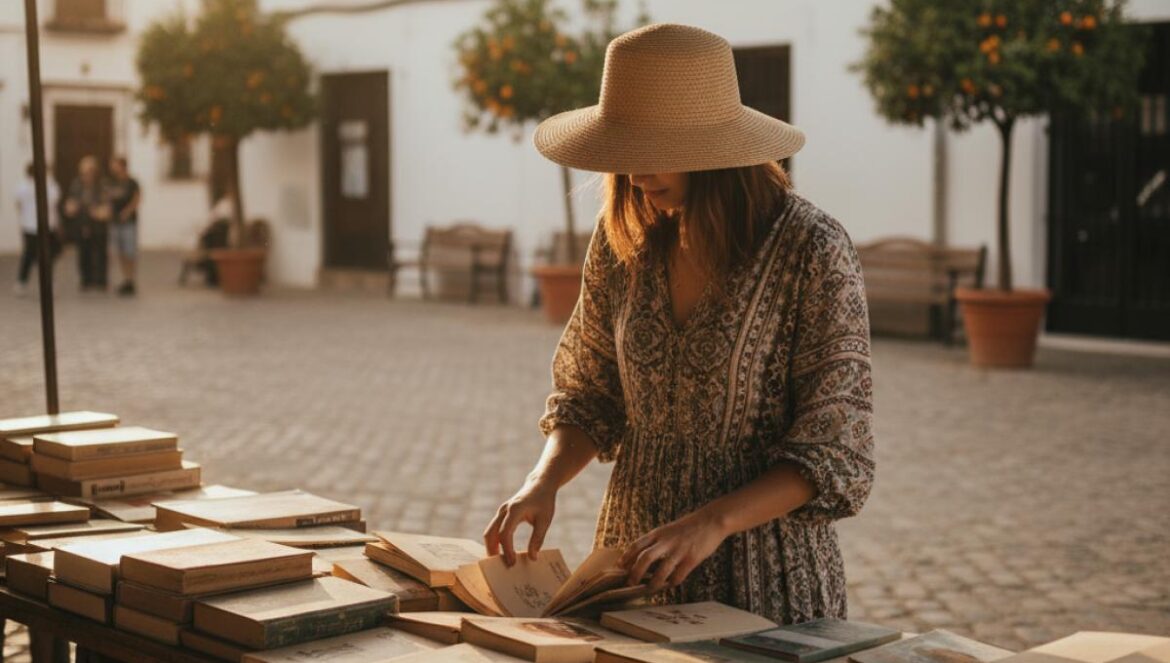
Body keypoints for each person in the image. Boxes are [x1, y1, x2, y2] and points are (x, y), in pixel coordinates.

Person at [482, 24, 875, 624]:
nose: (634, 176)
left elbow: (834, 448)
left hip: (767, 584)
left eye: (650, 151)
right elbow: (590, 393)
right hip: (631, 572)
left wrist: (711, 522)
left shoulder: (810, 248)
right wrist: (543, 481)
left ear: (712, 151)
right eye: (622, 153)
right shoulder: (624, 240)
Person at [63, 155, 111, 290]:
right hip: (82, 223)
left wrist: (100, 211)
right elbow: (70, 202)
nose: (87, 174)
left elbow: (107, 204)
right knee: (83, 252)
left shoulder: (102, 184)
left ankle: (101, 280)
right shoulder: (76, 184)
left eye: (90, 171)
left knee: (101, 253)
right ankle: (86, 280)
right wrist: (71, 207)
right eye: (84, 172)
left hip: (98, 225)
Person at [13, 162, 61, 296]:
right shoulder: (48, 185)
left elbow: (18, 204)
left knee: (31, 255)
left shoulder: (24, 186)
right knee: (40, 256)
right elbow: (55, 201)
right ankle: (44, 283)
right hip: (39, 226)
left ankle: (22, 282)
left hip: (32, 225)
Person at [106, 156, 141, 296]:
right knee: (120, 251)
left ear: (122, 166)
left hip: (128, 223)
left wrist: (127, 211)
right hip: (115, 222)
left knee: (130, 252)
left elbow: (137, 199)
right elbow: (108, 198)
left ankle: (131, 279)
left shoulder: (132, 182)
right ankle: (125, 279)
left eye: (114, 164)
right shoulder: (112, 182)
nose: (112, 167)